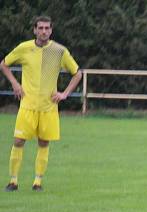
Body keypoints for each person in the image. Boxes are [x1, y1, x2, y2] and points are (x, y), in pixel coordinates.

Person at [1, 15, 81, 192]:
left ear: (51, 30)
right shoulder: (24, 48)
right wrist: (15, 84)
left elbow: (77, 73)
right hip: (27, 105)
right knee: (18, 140)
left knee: (44, 143)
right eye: (41, 28)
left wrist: (64, 94)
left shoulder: (59, 51)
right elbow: (4, 64)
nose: (44, 31)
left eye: (47, 28)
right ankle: (13, 181)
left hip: (48, 106)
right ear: (35, 30)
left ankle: (37, 182)